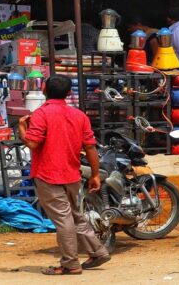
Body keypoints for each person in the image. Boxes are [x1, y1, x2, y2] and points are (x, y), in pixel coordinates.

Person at [18, 75, 111, 276]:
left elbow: (32, 143)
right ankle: (97, 251)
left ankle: (70, 263)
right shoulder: (79, 116)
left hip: (47, 174)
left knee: (63, 220)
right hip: (72, 174)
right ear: (69, 93)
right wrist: (95, 174)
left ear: (43, 90)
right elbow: (91, 147)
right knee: (75, 216)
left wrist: (22, 128)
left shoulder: (41, 114)